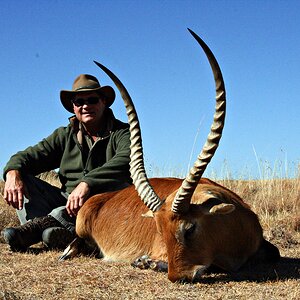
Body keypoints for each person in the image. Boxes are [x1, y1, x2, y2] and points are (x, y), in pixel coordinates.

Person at [1, 74, 132, 252]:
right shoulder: (64, 135)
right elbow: (29, 156)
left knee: (61, 213)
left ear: (103, 102)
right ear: (73, 106)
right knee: (23, 177)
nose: (86, 106)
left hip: (106, 207)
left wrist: (87, 183)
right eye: (79, 102)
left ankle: (49, 231)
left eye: (92, 100)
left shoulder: (123, 132)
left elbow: (126, 159)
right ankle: (58, 234)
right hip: (69, 204)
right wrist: (12, 172)